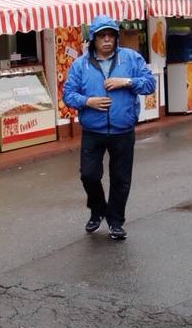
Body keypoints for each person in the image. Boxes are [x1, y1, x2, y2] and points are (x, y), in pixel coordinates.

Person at [62, 15, 156, 241]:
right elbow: (68, 95)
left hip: (122, 130)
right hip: (93, 131)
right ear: (93, 39)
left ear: (116, 38)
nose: (106, 40)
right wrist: (88, 101)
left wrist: (127, 82)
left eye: (111, 36)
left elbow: (150, 84)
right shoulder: (80, 64)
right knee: (89, 176)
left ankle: (115, 222)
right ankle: (97, 209)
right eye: (102, 36)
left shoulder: (131, 59)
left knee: (121, 178)